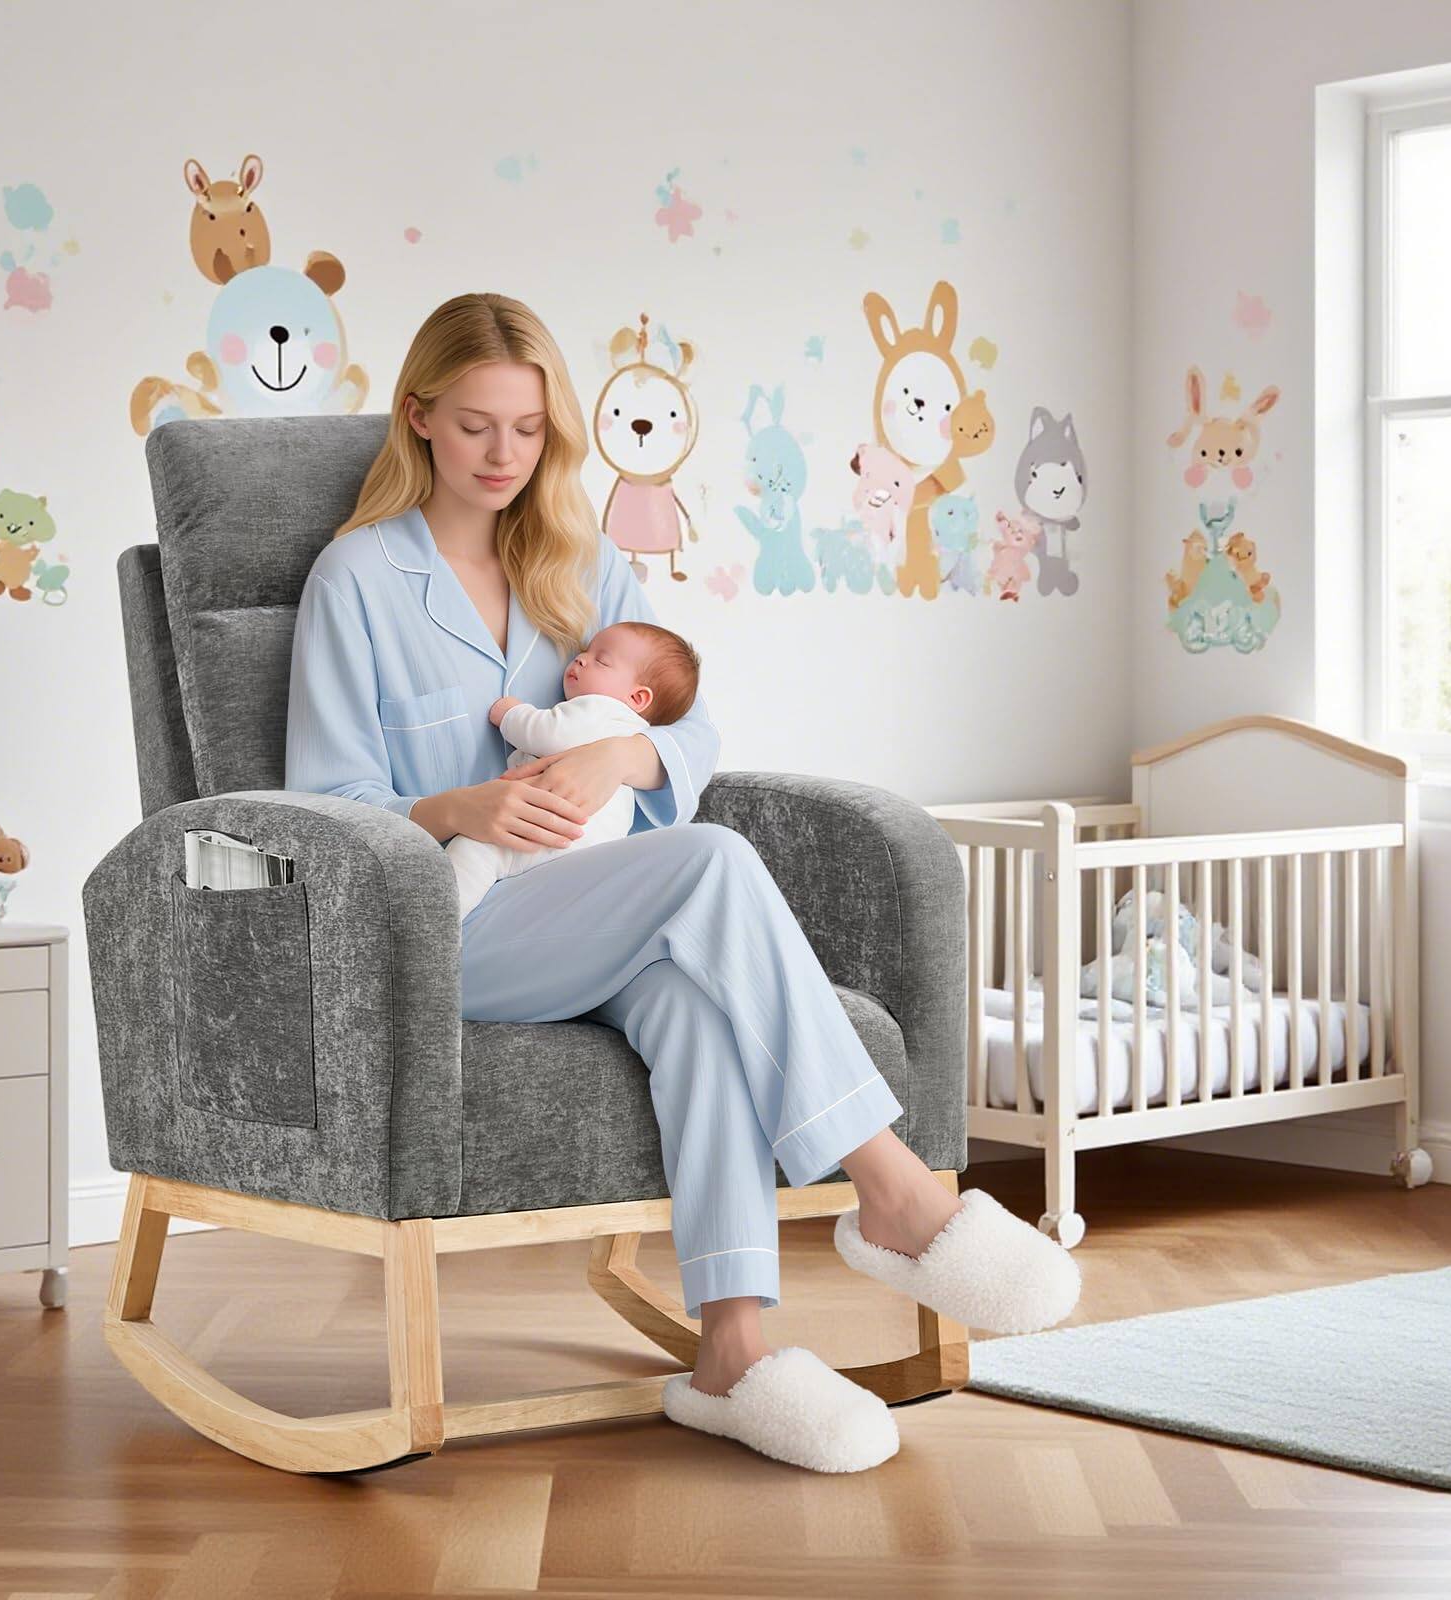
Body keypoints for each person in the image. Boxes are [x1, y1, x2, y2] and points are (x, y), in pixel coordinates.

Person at [285, 292, 1078, 1472]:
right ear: (418, 417)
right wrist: (457, 807)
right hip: (451, 922)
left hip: (594, 907)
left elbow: (689, 732)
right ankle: (896, 1190)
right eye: (475, 426)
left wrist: (622, 756)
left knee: (699, 1006)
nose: (504, 455)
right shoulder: (356, 578)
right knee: (711, 861)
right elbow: (323, 799)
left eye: (528, 429)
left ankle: (731, 1355)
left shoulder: (582, 562)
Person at [444, 619, 699, 920]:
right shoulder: (632, 733)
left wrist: (511, 713)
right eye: (586, 651)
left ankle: (439, 921)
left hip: (550, 829)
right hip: (587, 847)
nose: (581, 659)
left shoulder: (601, 710)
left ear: (637, 698)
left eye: (601, 661)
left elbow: (548, 732)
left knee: (474, 852)